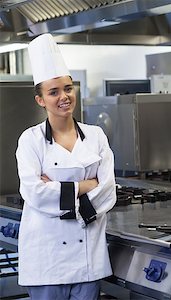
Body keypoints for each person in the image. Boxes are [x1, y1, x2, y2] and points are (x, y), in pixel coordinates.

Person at [15, 33, 117, 300]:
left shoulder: (95, 136)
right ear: (40, 100)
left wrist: (59, 190)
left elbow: (107, 191)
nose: (64, 97)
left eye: (68, 88)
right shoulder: (30, 140)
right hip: (46, 260)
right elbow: (35, 193)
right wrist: (85, 186)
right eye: (54, 92)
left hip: (87, 261)